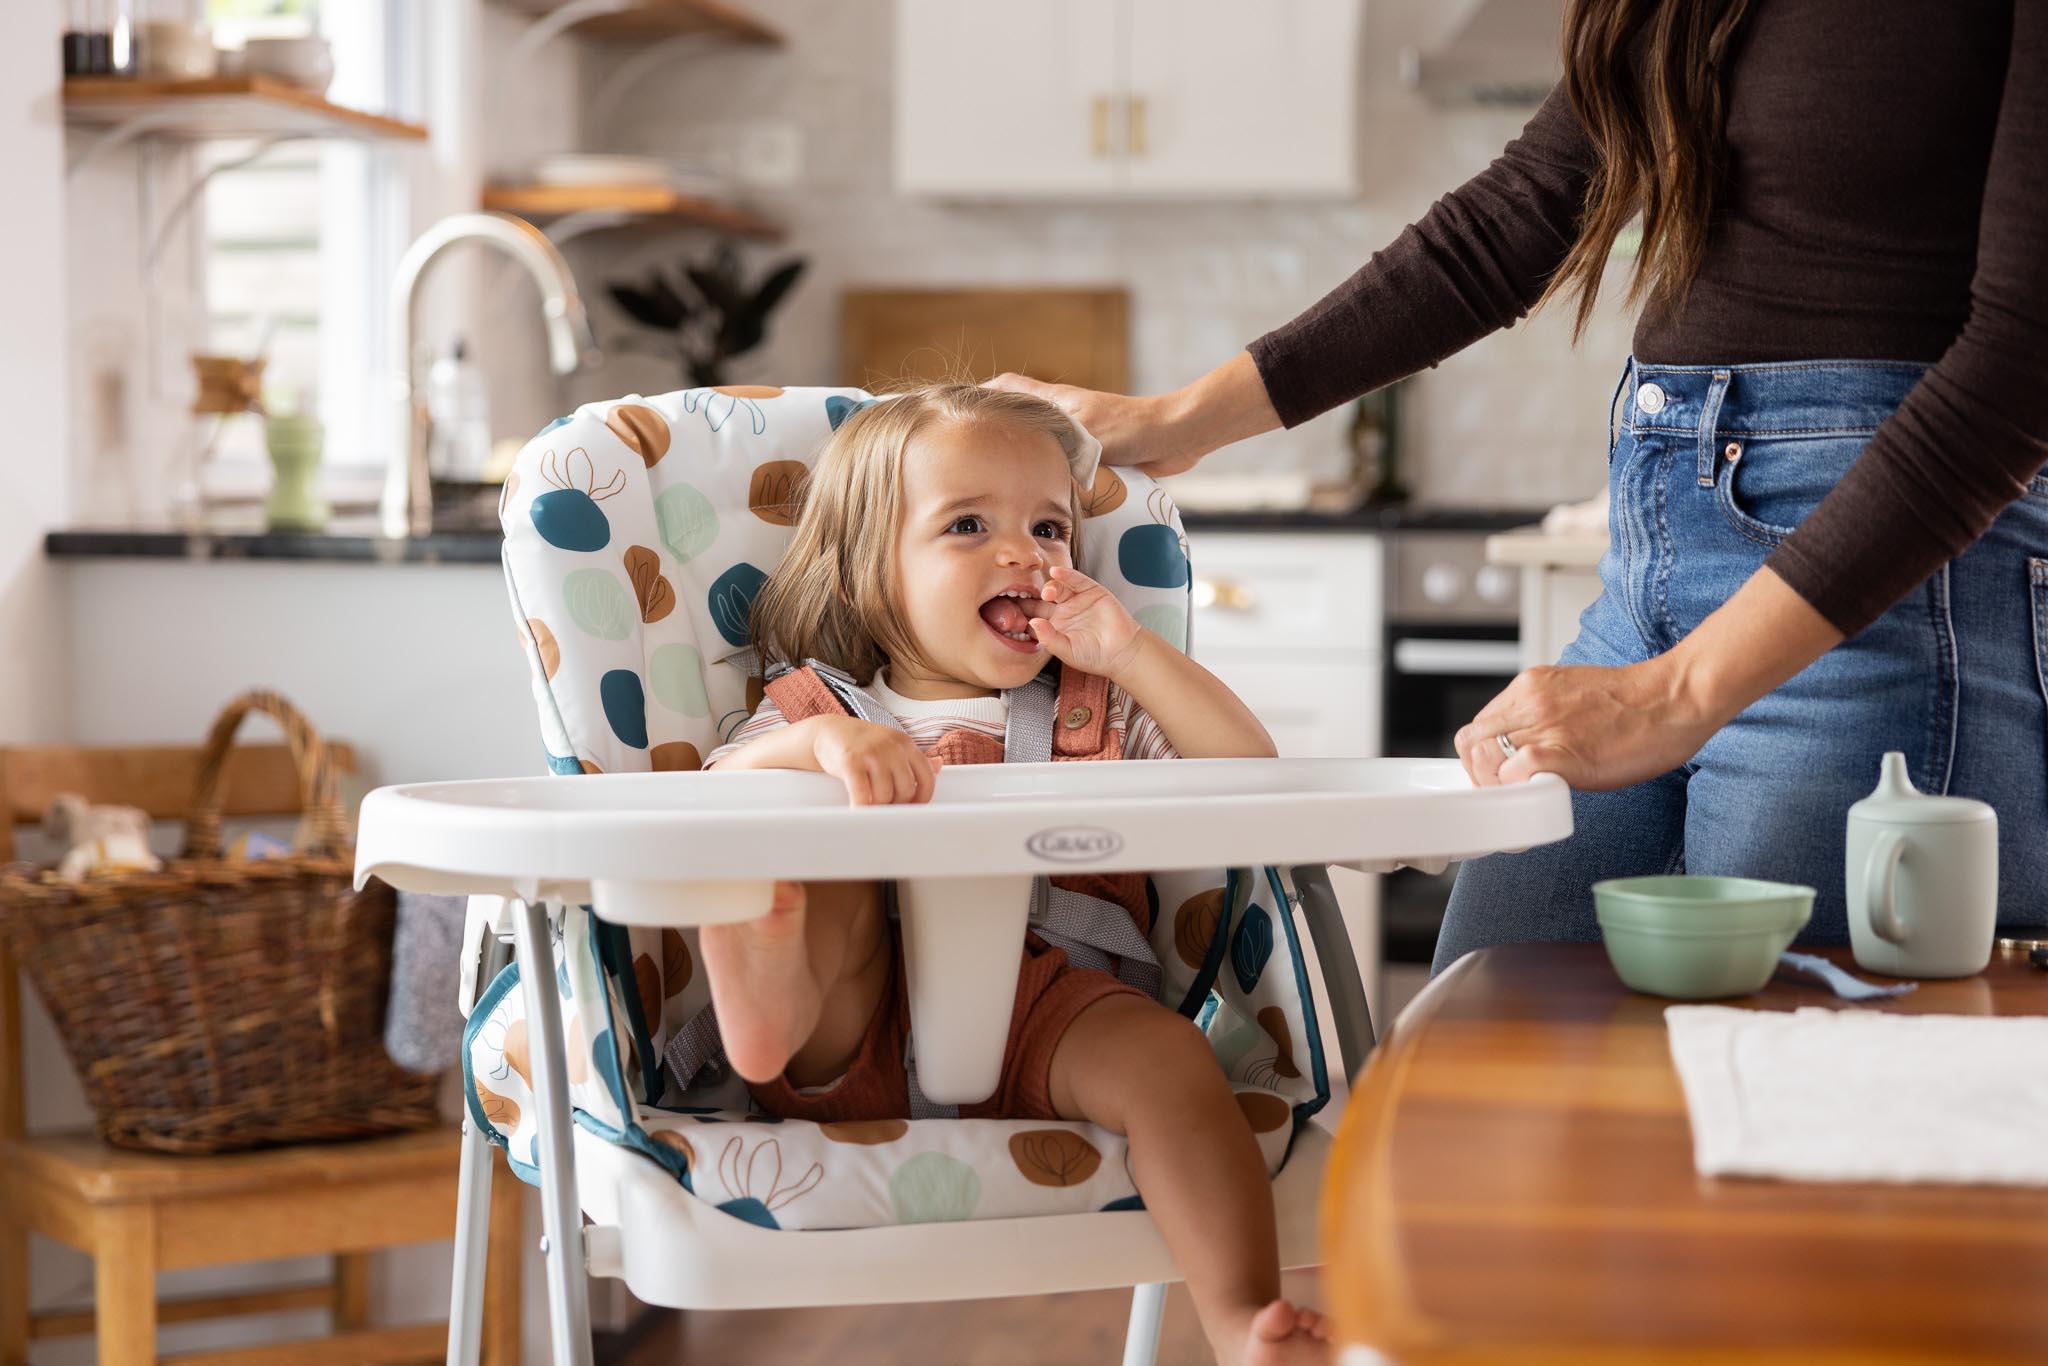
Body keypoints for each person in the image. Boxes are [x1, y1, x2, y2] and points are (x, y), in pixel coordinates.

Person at [992, 0, 2048, 969]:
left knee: (1786, 1103)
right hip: (1654, 564)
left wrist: (1678, 693)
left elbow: (2022, 362)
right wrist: (1177, 421)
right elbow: (1515, 216)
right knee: (1484, 1039)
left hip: (1883, 596)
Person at [698, 384, 1329, 1365]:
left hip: (1058, 1001)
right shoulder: (814, 708)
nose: (1025, 554)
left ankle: (1243, 1319)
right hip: (855, 1010)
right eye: (966, 524)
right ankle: (766, 990)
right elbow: (704, 799)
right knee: (806, 868)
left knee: (1173, 1065)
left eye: (1048, 526)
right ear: (870, 571)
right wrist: (818, 746)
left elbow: (1250, 779)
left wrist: (1130, 653)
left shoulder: (1096, 710)